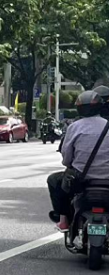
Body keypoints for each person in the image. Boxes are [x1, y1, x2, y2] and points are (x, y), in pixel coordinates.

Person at [47, 90, 109, 232]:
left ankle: (63, 220)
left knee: (55, 181)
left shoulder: (74, 127)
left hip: (81, 179)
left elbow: (67, 159)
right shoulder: (107, 125)